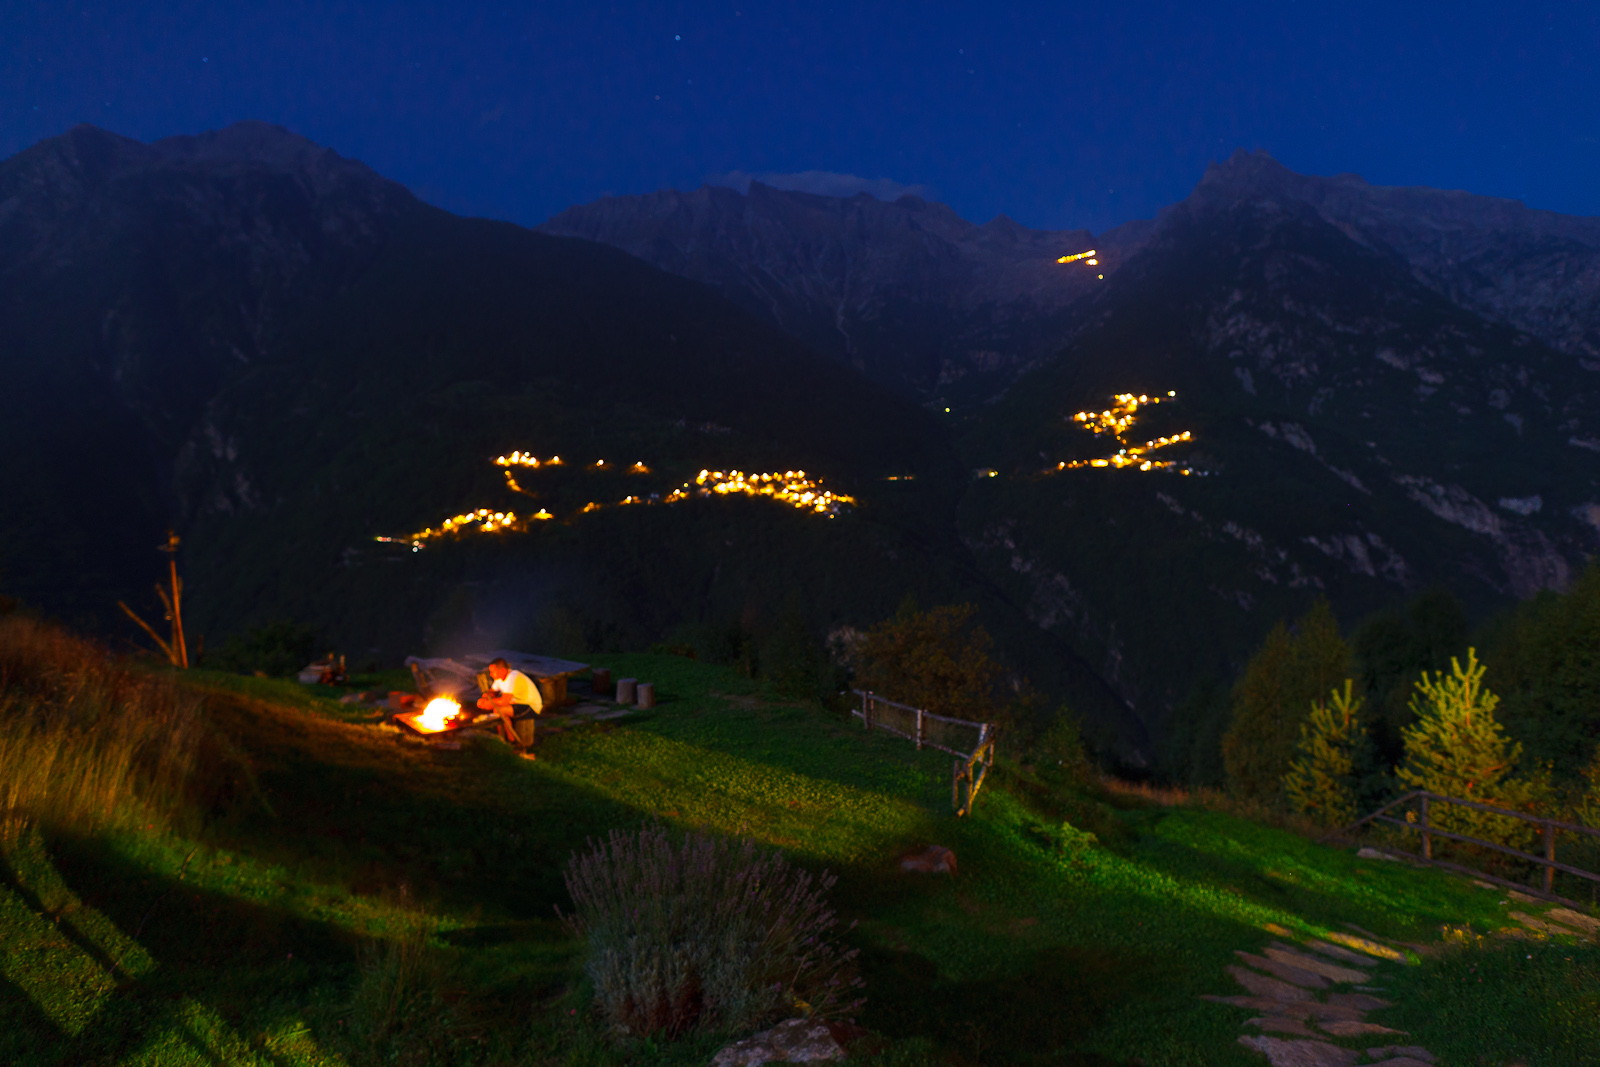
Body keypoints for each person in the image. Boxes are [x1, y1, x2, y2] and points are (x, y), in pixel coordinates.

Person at [477, 657, 543, 757]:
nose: (490, 674)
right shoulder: (499, 679)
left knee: (498, 710)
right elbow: (493, 691)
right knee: (498, 710)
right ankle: (505, 739)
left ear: (502, 670)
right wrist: (485, 697)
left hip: (531, 706)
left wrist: (488, 703)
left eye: (492, 672)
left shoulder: (513, 677)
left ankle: (512, 741)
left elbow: (504, 701)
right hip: (518, 704)